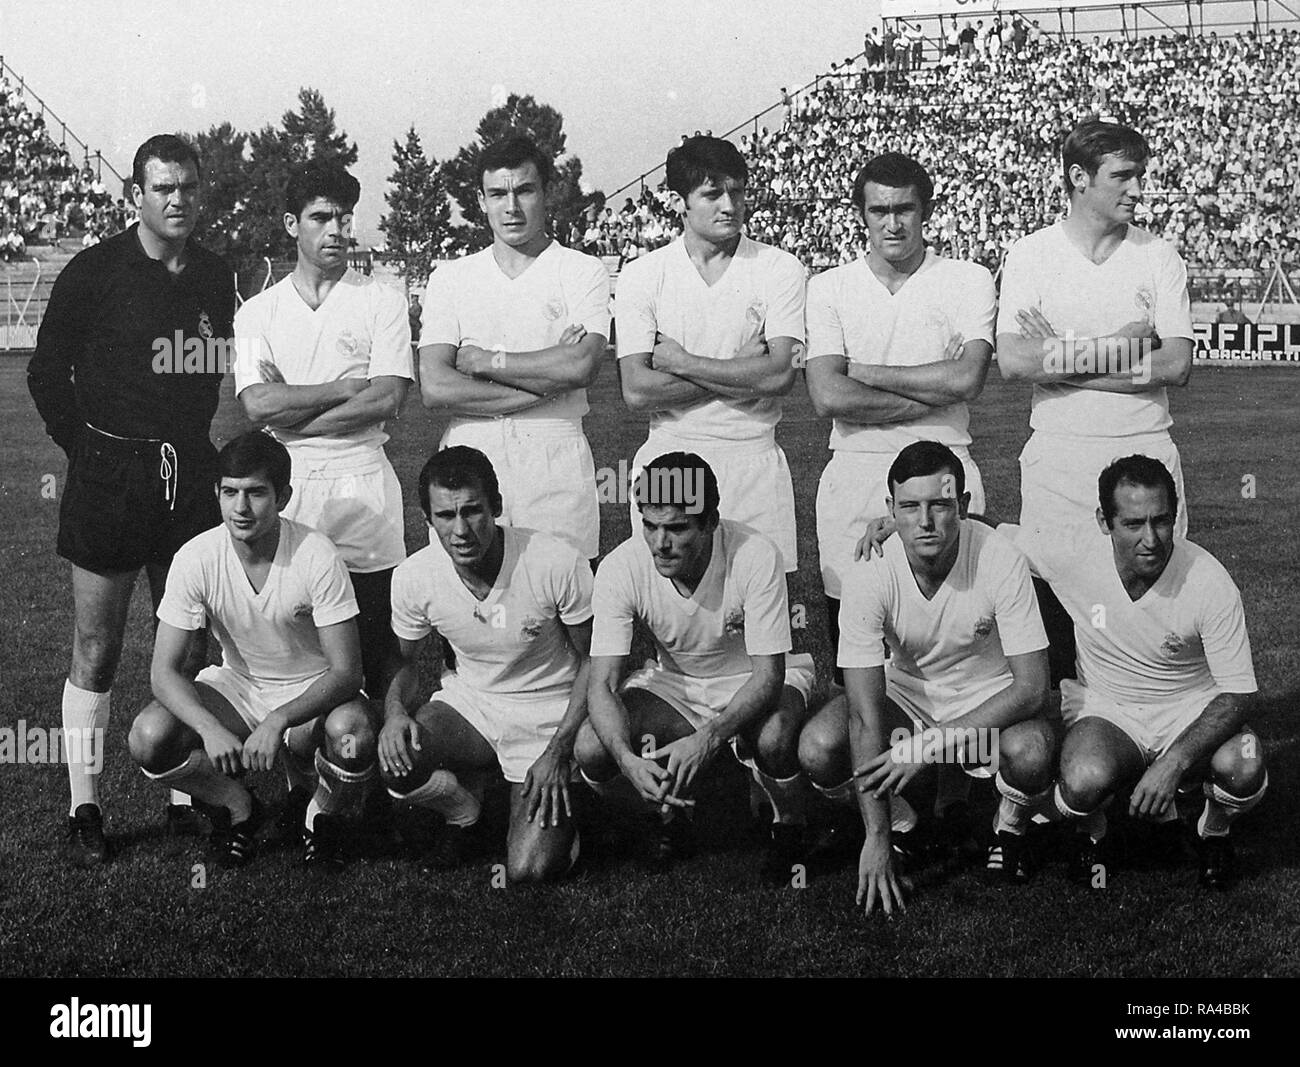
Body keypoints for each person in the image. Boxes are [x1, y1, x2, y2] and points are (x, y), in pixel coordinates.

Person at [28, 133, 237, 867]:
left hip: (190, 476)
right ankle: (85, 804)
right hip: (108, 476)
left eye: (186, 187)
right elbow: (47, 373)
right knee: (98, 646)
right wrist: (84, 449)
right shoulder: (94, 271)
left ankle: (186, 791)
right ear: (134, 196)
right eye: (161, 188)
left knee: (188, 642)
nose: (175, 200)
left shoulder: (216, 274)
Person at [803, 442, 1051, 915]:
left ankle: (1009, 828)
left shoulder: (1000, 558)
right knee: (819, 746)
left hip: (988, 696)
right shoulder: (870, 569)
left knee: (1032, 751)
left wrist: (927, 747)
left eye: (940, 504)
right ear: (889, 510)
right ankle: (901, 825)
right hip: (910, 699)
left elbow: (1032, 688)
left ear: (964, 504)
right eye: (910, 507)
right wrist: (874, 836)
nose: (926, 520)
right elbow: (862, 709)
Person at [1004, 456, 1266, 889]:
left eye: (1161, 521)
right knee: (1082, 780)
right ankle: (1096, 832)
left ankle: (1213, 830)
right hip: (1109, 709)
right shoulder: (1071, 552)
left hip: (1189, 707)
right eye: (1133, 524)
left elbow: (1239, 693)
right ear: (1103, 521)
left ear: (1176, 514)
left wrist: (1175, 762)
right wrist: (893, 525)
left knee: (1247, 761)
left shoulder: (1209, 581)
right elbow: (990, 531)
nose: (1151, 539)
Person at [128, 432, 374, 869]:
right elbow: (162, 673)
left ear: (283, 496)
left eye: (256, 493)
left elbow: (346, 672)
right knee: (149, 738)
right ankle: (239, 807)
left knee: (352, 735)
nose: (240, 508)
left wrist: (279, 720)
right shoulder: (196, 556)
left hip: (312, 690)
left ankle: (319, 815)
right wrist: (209, 728)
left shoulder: (316, 553)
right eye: (230, 492)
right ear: (217, 494)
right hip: (239, 687)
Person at [575, 452, 816, 880]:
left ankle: (789, 826)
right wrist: (629, 762)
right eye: (650, 526)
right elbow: (602, 686)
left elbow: (768, 675)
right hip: (677, 683)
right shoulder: (621, 566)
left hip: (753, 676)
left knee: (776, 738)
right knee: (592, 747)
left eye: (677, 528)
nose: (660, 543)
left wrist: (708, 739)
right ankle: (666, 817)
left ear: (710, 522)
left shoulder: (755, 554)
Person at [234, 160, 413, 724]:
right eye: (320, 217)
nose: (336, 229)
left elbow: (386, 398)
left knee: (377, 638)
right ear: (292, 224)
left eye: (344, 217)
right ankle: (304, 779)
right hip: (288, 488)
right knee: (295, 633)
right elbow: (257, 403)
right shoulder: (259, 311)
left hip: (363, 482)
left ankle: (384, 775)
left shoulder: (381, 298)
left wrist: (293, 419)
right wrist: (339, 389)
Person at [806, 152, 994, 684]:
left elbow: (968, 380)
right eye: (879, 210)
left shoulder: (967, 278)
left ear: (925, 210)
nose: (893, 222)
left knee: (955, 637)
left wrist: (863, 371)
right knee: (857, 647)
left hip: (945, 467)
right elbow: (827, 396)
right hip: (854, 469)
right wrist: (932, 389)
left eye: (905, 209)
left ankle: (951, 759)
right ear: (861, 215)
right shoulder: (829, 287)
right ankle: (865, 759)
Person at [379, 447, 592, 881]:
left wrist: (559, 750)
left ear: (496, 507)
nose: (460, 530)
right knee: (397, 760)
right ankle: (465, 811)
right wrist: (395, 714)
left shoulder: (554, 561)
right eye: (444, 516)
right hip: (472, 705)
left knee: (529, 870)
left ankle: (577, 806)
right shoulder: (414, 576)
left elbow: (597, 662)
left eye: (473, 511)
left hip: (550, 712)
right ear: (427, 520)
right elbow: (402, 660)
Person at [996, 118, 1194, 542]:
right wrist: (1121, 345)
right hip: (1059, 455)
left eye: (1140, 176)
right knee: (1054, 596)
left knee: (1150, 601)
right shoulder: (1030, 255)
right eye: (1122, 176)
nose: (1137, 190)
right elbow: (1013, 362)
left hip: (1146, 452)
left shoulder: (1160, 257)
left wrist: (1057, 358)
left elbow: (1175, 365)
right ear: (1078, 178)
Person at [615, 136, 805, 572]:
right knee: (673, 617)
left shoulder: (780, 269)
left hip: (753, 457)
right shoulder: (643, 275)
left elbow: (780, 377)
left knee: (759, 614)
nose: (729, 205)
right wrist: (742, 368)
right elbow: (638, 392)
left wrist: (683, 363)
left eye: (737, 192)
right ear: (680, 202)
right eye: (712, 193)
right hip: (670, 456)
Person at [418, 135, 610, 561]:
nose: (512, 207)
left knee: (564, 601)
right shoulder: (452, 278)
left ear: (546, 192)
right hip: (470, 457)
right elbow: (435, 386)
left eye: (524, 190)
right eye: (498, 193)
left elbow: (580, 365)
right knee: (472, 606)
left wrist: (485, 362)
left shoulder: (581, 271)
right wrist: (547, 380)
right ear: (481, 200)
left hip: (555, 456)